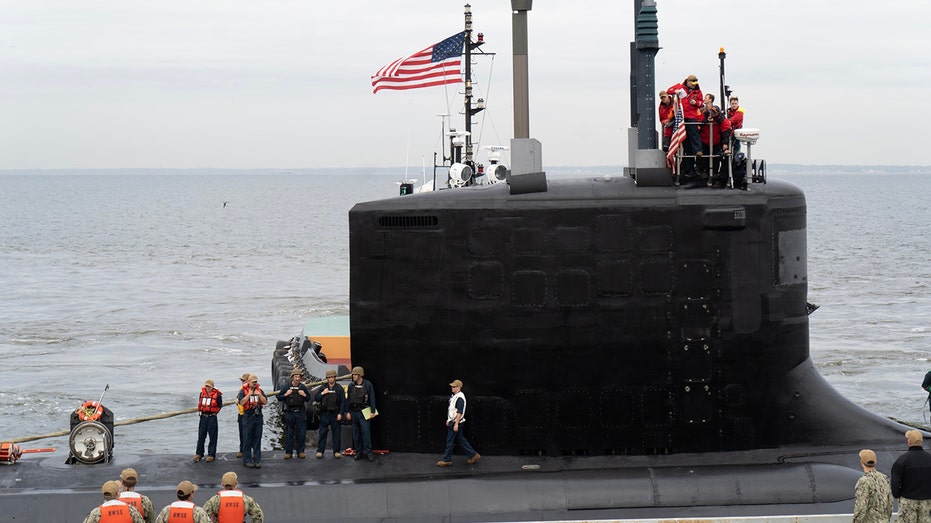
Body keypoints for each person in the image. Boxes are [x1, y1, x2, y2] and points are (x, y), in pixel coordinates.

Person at [436, 379, 480, 467]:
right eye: (452, 386)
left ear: (459, 387)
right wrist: (449, 419)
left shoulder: (459, 398)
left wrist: (455, 423)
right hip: (454, 422)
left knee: (450, 441)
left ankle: (446, 459)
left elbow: (459, 412)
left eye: (454, 387)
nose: (452, 388)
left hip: (456, 423)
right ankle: (473, 455)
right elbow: (453, 410)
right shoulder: (455, 396)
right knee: (460, 439)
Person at [666, 75, 704, 177]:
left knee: (694, 134)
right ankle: (689, 169)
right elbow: (668, 91)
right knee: (687, 145)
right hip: (682, 117)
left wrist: (695, 102)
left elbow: (701, 103)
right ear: (688, 81)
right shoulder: (680, 87)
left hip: (692, 117)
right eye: (692, 82)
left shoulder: (697, 92)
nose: (693, 84)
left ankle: (698, 150)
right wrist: (676, 92)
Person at [891, 430, 931, 523]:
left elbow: (895, 482)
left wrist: (897, 494)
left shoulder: (901, 461)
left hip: (908, 501)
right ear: (921, 442)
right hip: (928, 502)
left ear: (909, 442)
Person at [275, 367, 311, 459]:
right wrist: (286, 394)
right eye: (296, 377)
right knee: (289, 434)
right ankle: (288, 452)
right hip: (290, 413)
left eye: (299, 377)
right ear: (292, 377)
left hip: (300, 412)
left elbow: (308, 398)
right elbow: (279, 397)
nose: (297, 378)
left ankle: (300, 451)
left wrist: (304, 395)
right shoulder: (286, 386)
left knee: (301, 433)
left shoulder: (303, 387)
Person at [853, 449, 893, 523]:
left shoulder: (864, 481)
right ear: (875, 462)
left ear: (861, 462)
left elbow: (861, 508)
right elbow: (890, 502)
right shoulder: (884, 478)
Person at [346, 366, 376, 462]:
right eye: (353, 374)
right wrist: (347, 412)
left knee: (366, 433)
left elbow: (372, 398)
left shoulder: (368, 385)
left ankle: (369, 453)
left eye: (355, 374)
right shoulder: (351, 385)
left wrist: (372, 412)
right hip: (354, 412)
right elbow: (348, 400)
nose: (353, 376)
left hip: (364, 412)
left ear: (360, 375)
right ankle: (358, 452)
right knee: (356, 434)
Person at [314, 368, 347, 459]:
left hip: (335, 414)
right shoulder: (323, 387)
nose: (331, 379)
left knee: (336, 433)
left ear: (335, 378)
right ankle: (320, 450)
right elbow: (316, 398)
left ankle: (336, 451)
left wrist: (341, 413)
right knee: (322, 433)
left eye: (332, 377)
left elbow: (343, 402)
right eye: (329, 377)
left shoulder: (339, 388)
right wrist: (322, 393)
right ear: (327, 379)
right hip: (325, 413)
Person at [237, 374, 267, 468]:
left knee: (257, 439)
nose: (255, 384)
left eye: (256, 382)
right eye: (253, 382)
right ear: (249, 382)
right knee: (247, 439)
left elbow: (265, 402)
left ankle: (257, 460)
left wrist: (259, 395)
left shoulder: (260, 391)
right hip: (248, 416)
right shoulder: (243, 391)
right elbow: (241, 402)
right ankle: (247, 459)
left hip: (258, 416)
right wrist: (249, 394)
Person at [698, 105, 732, 183]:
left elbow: (726, 130)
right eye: (710, 112)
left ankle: (715, 173)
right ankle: (704, 172)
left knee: (716, 158)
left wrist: (725, 143)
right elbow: (698, 124)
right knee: (704, 157)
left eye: (713, 113)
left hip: (716, 141)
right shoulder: (705, 115)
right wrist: (705, 121)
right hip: (704, 140)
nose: (711, 114)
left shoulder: (721, 119)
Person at [194, 379, 222, 463]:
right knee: (201, 435)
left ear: (212, 387)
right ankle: (199, 453)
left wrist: (215, 413)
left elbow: (220, 405)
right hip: (203, 417)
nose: (207, 388)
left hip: (212, 417)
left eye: (209, 386)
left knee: (212, 436)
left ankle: (211, 454)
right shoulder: (202, 394)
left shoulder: (217, 395)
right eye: (206, 386)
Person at [237, 372, 250, 458]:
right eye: (242, 381)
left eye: (244, 380)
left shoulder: (252, 389)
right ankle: (242, 450)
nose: (243, 382)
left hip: (248, 414)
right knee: (241, 433)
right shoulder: (241, 389)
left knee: (249, 434)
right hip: (241, 414)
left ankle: (250, 450)